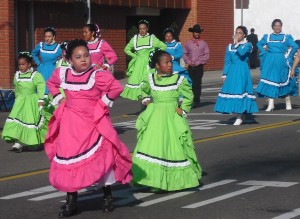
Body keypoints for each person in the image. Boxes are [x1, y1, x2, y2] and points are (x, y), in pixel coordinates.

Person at [45, 39, 132, 217]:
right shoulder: (62, 73)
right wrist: (58, 99)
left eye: (86, 55)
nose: (84, 59)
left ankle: (107, 196)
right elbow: (51, 84)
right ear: (69, 60)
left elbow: (115, 87)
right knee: (69, 158)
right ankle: (72, 201)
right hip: (70, 124)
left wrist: (102, 103)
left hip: (92, 122)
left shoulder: (97, 74)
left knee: (101, 159)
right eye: (78, 57)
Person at [132, 50, 202, 191]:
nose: (170, 65)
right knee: (153, 147)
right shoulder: (150, 79)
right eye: (166, 62)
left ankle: (172, 181)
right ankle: (153, 180)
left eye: (171, 61)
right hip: (155, 118)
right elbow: (144, 91)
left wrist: (183, 110)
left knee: (172, 147)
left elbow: (189, 96)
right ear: (157, 65)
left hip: (171, 118)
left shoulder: (179, 79)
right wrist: (148, 103)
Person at [2, 52, 46, 152]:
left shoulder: (35, 75)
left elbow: (41, 86)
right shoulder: (17, 75)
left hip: (31, 101)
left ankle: (33, 142)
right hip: (20, 102)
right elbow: (17, 88)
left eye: (23, 64)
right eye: (19, 64)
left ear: (29, 64)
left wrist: (40, 99)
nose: (21, 66)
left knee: (31, 121)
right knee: (16, 120)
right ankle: (17, 143)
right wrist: (17, 99)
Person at [214, 26, 258, 125]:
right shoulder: (229, 47)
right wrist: (225, 74)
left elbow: (242, 53)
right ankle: (240, 113)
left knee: (240, 91)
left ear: (244, 35)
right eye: (236, 32)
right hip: (232, 71)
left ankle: (239, 116)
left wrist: (238, 43)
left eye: (240, 33)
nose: (237, 35)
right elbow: (227, 61)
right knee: (233, 92)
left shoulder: (247, 45)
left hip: (242, 71)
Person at [256, 19, 299, 111]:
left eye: (279, 25)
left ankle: (287, 101)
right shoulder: (267, 36)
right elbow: (259, 44)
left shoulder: (286, 37)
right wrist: (264, 52)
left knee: (283, 80)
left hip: (281, 61)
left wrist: (289, 57)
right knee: (270, 81)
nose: (277, 27)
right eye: (276, 25)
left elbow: (295, 46)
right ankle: (271, 104)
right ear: (273, 27)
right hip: (270, 61)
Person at [121, 20, 167, 100]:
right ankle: (145, 101)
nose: (142, 30)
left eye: (144, 29)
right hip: (138, 65)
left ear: (147, 29)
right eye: (140, 29)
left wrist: (154, 54)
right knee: (138, 82)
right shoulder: (135, 39)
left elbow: (163, 46)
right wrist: (134, 56)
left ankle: (148, 100)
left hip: (149, 64)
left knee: (148, 81)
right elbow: (126, 49)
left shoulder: (152, 38)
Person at [183, 24, 210, 108]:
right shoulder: (188, 43)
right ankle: (190, 99)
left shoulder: (203, 44)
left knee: (197, 83)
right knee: (190, 83)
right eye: (195, 32)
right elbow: (184, 53)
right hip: (191, 66)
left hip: (199, 67)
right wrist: (188, 61)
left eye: (198, 32)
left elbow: (206, 55)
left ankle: (196, 100)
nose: (197, 34)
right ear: (193, 33)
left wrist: (199, 62)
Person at [32, 27, 62, 94]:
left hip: (52, 70)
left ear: (53, 37)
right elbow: (34, 53)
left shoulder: (58, 47)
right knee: (41, 89)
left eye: (49, 36)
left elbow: (65, 56)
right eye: (46, 36)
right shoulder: (40, 45)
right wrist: (38, 63)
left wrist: (58, 63)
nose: (47, 38)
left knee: (51, 90)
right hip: (42, 69)